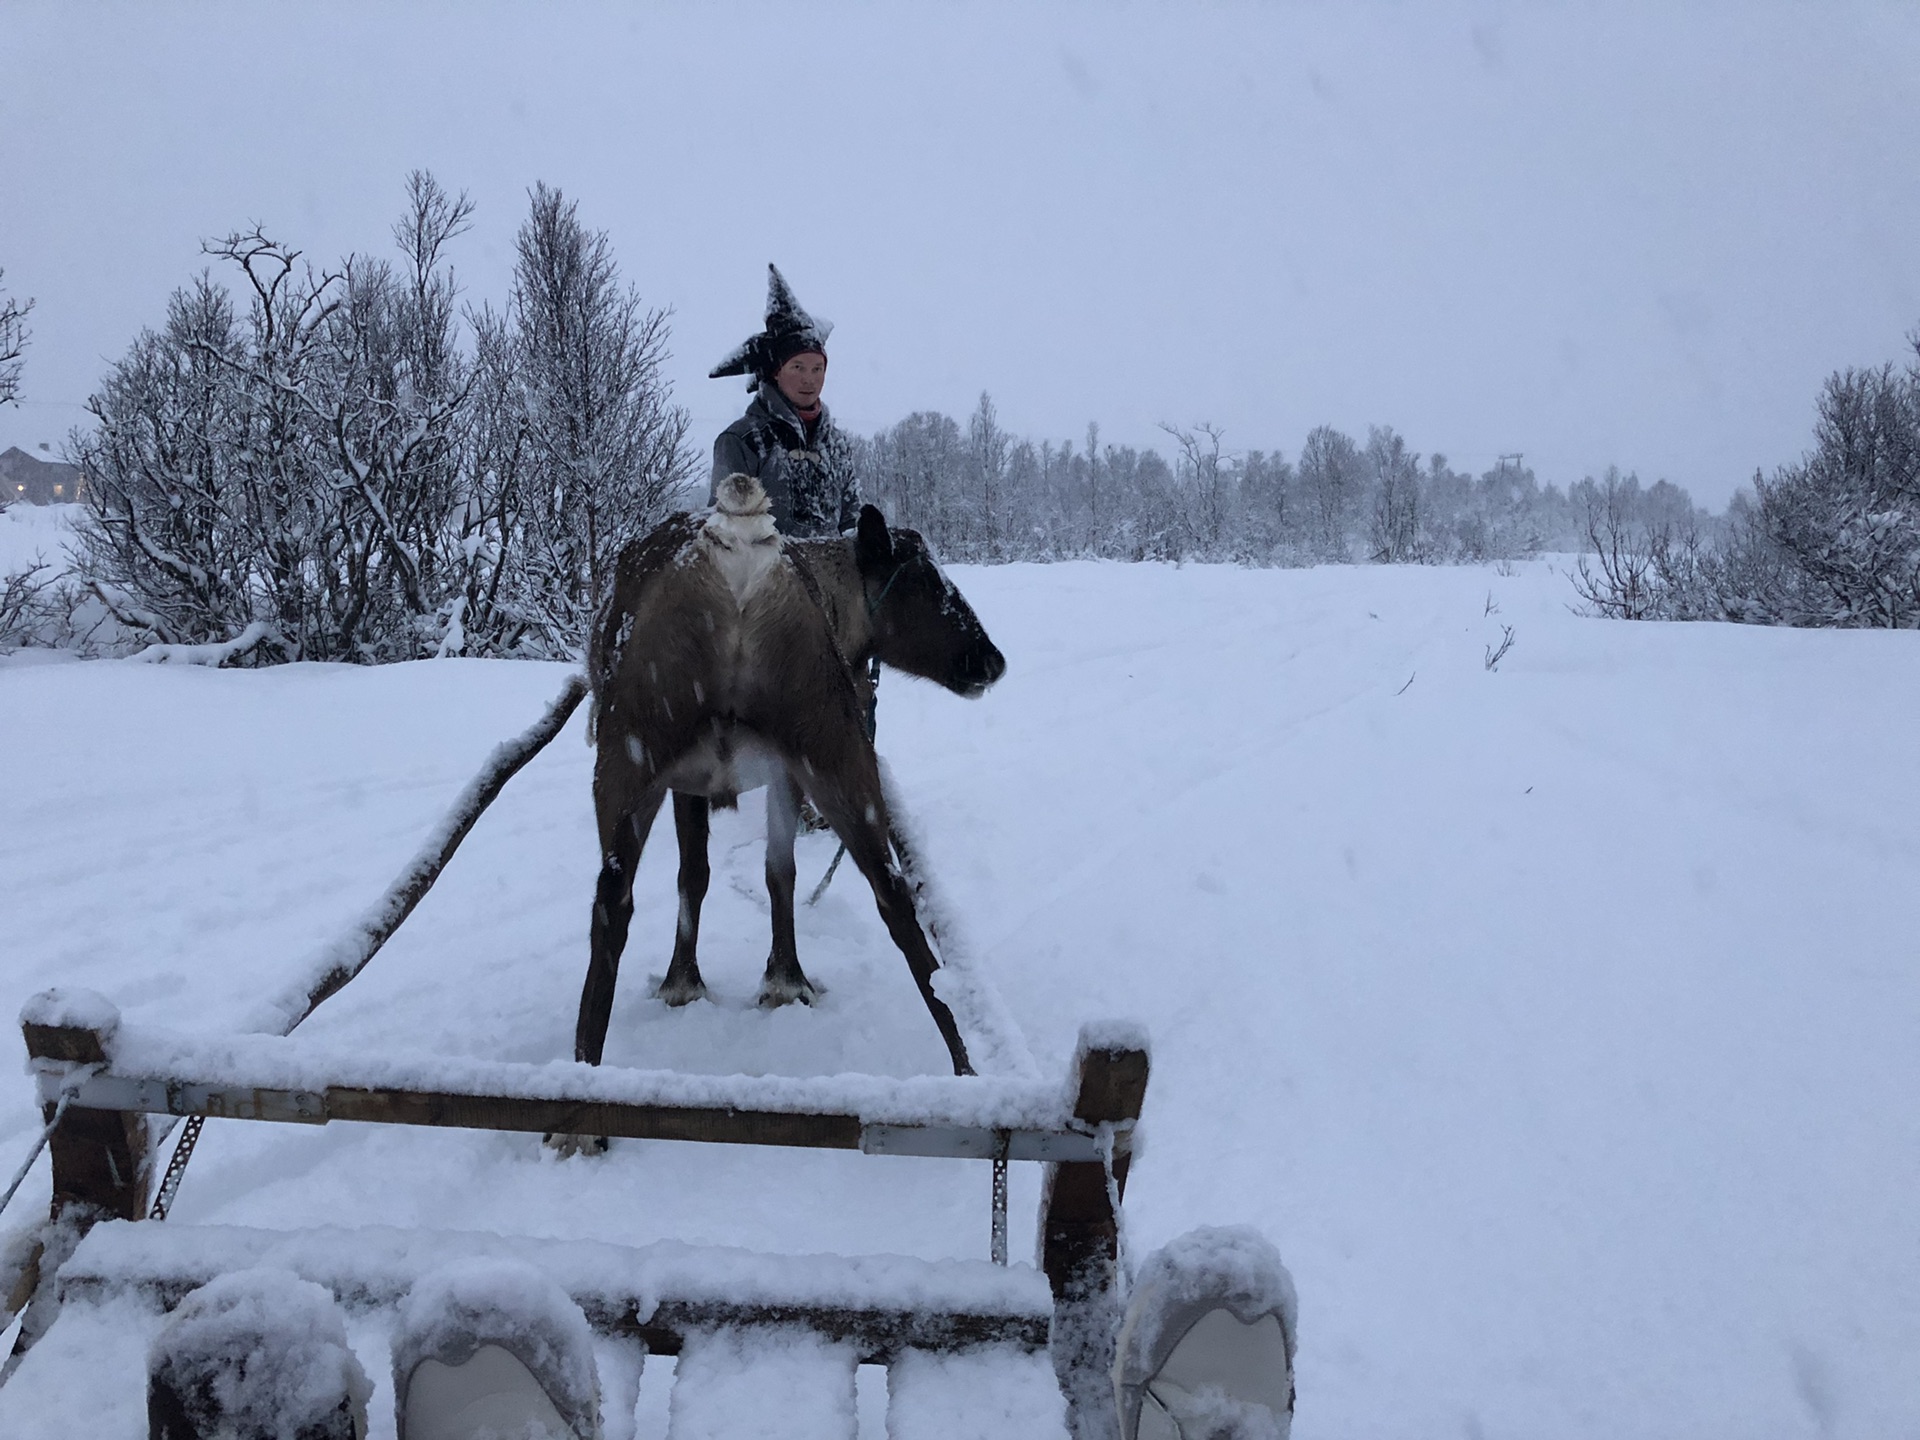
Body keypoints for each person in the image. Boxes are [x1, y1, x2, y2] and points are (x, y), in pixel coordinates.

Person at [708, 265, 860, 537]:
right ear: (776, 372)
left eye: (817, 369)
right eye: (797, 367)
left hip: (834, 579)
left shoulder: (837, 445)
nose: (809, 380)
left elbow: (851, 525)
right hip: (767, 578)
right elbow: (724, 534)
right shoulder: (742, 441)